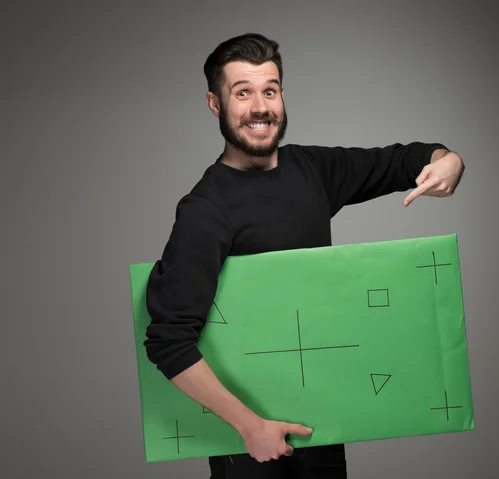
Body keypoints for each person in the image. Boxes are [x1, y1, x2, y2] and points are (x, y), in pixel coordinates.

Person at [144, 32, 465, 479]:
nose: (260, 107)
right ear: (215, 104)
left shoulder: (310, 170)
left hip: (323, 429)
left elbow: (403, 160)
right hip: (249, 448)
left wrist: (448, 159)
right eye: (243, 93)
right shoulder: (205, 210)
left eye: (270, 90)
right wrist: (249, 427)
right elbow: (167, 342)